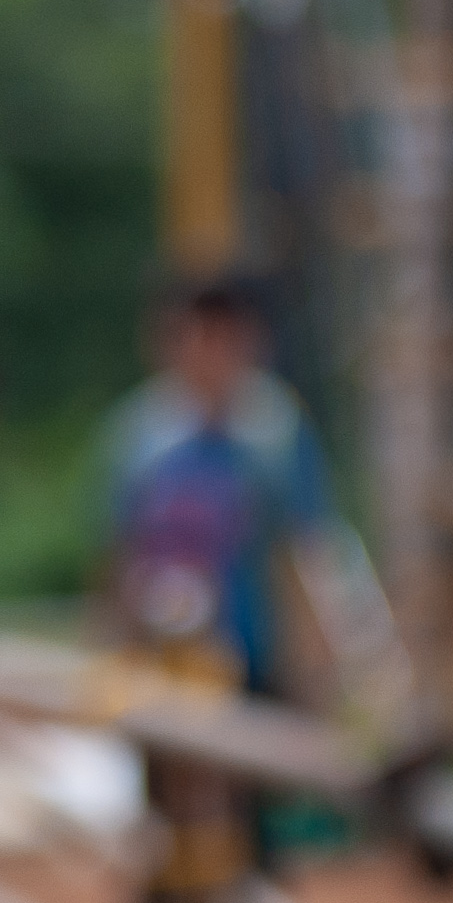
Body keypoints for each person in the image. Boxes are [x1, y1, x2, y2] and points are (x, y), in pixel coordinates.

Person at [92, 271, 359, 709]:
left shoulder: (276, 435)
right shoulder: (138, 437)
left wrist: (316, 665)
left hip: (253, 658)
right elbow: (119, 553)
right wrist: (112, 651)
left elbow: (302, 554)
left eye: (224, 338)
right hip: (163, 656)